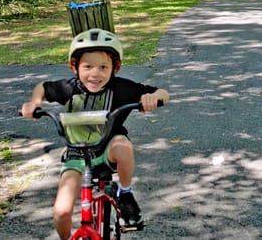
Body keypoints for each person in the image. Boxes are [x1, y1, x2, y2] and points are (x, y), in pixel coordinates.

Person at [21, 28, 169, 240]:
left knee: (123, 147)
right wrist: (34, 102)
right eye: (87, 66)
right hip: (76, 156)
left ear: (115, 68)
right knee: (61, 212)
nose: (95, 73)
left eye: (103, 67)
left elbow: (161, 92)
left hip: (107, 150)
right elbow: (43, 88)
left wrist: (152, 98)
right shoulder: (70, 88)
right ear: (75, 67)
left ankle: (124, 194)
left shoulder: (120, 89)